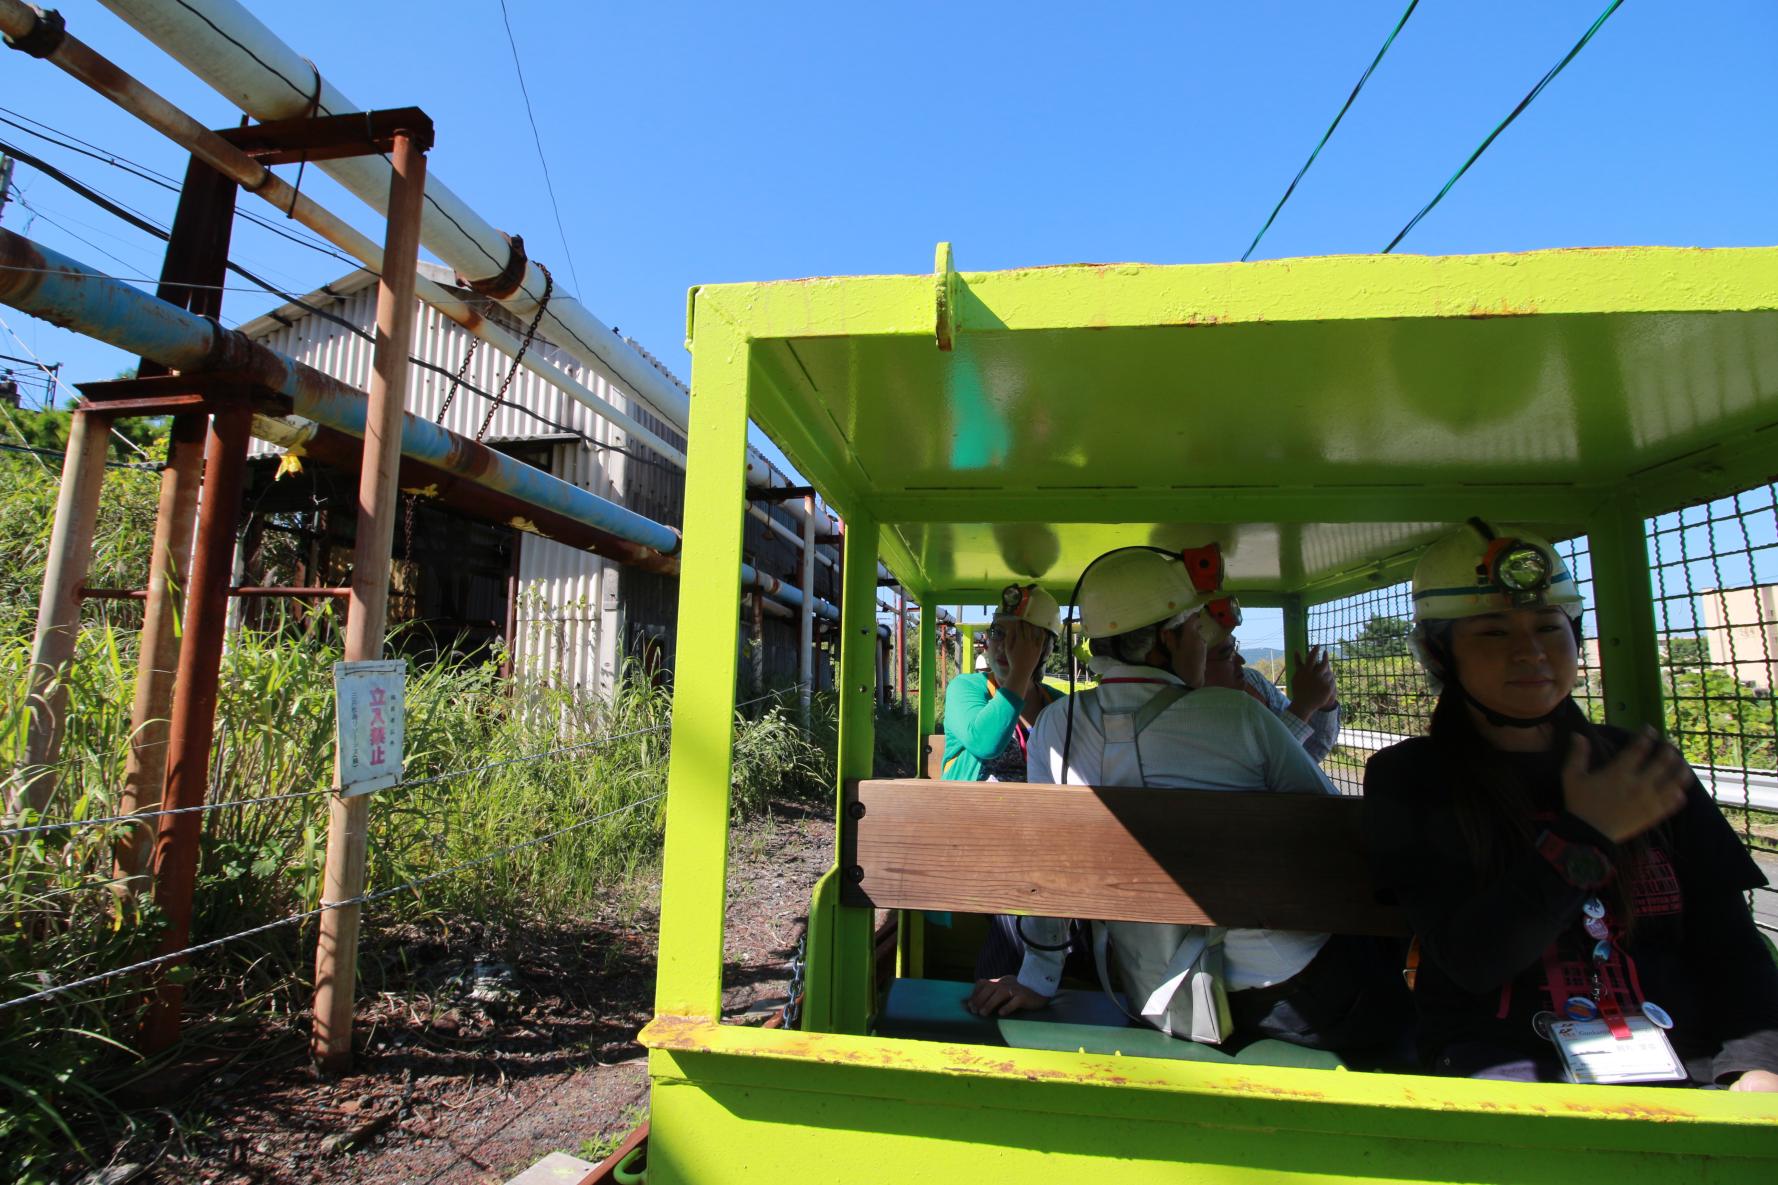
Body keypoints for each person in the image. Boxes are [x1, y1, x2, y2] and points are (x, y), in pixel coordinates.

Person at [1362, 519, 1778, 1089]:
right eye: (1491, 632)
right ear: (1441, 654)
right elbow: (1471, 960)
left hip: (1693, 1057)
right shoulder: (1412, 777)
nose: (1530, 652)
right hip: (1505, 1061)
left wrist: (1758, 1063)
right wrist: (1586, 834)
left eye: (1548, 628)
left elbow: (1729, 942)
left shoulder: (1642, 763)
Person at [966, 547, 1409, 1060]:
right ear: (1167, 640)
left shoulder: (1055, 727)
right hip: (1283, 989)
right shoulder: (1238, 715)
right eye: (1198, 631)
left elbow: (1049, 868)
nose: (1203, 642)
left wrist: (1039, 981)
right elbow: (1333, 832)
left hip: (1147, 992)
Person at [940, 582, 1068, 977]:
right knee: (1021, 899)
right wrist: (1019, 676)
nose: (1003, 647)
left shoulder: (1057, 705)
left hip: (1043, 848)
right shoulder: (968, 690)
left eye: (1020, 638)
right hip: (976, 842)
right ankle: (998, 986)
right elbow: (985, 742)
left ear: (1045, 647)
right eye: (998, 633)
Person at [1200, 600, 1341, 763]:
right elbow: (1263, 773)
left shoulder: (1253, 681)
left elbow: (1309, 753)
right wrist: (1302, 707)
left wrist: (1325, 705)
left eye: (1235, 648)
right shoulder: (1189, 715)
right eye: (1226, 653)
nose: (1241, 660)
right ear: (1196, 662)